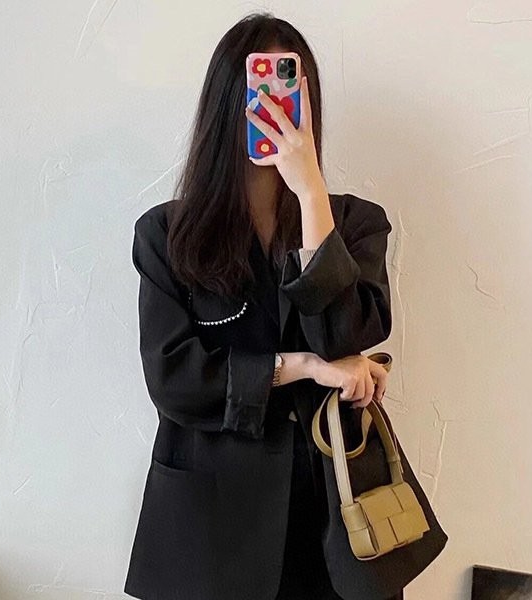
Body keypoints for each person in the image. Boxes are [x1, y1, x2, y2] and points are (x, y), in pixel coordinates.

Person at [123, 11, 405, 600]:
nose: (273, 106)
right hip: (210, 525)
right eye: (258, 88)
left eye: (288, 90)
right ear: (228, 103)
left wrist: (310, 194)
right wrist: (300, 367)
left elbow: (343, 335)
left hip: (332, 519)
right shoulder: (168, 236)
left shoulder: (356, 224)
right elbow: (175, 381)